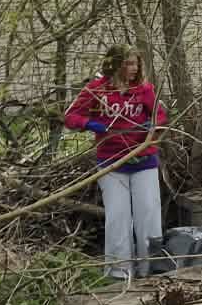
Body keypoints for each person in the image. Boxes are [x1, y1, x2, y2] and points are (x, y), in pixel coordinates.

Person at [63, 45, 167, 281]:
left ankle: (151, 269)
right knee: (117, 218)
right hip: (111, 163)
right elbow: (70, 117)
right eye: (128, 64)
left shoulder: (144, 90)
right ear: (115, 65)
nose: (134, 68)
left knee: (149, 215)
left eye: (136, 63)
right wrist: (89, 124)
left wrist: (153, 127)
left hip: (143, 160)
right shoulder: (96, 90)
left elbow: (160, 116)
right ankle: (119, 273)